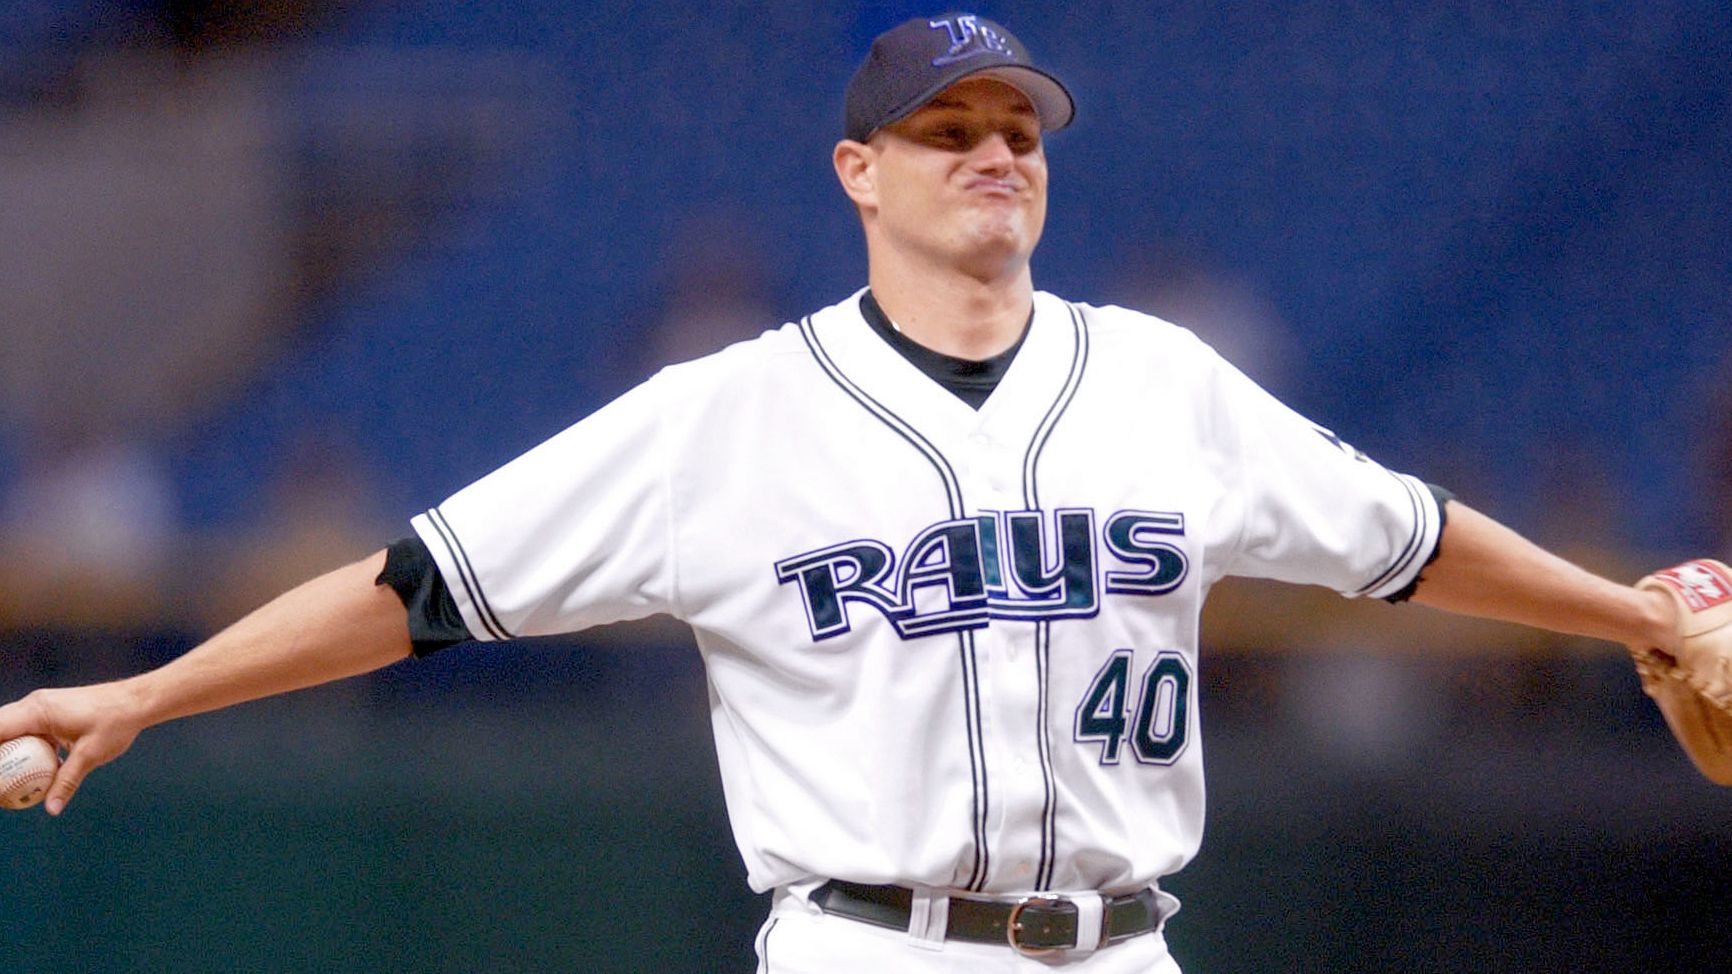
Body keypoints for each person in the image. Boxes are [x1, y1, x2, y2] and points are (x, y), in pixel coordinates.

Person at [0, 14, 1688, 973]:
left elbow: (1409, 539)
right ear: (857, 174)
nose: (997, 154)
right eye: (950, 129)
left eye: (1018, 129)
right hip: (869, 948)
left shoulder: (1167, 380)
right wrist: (147, 691)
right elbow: (420, 583)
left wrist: (1637, 618)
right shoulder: (725, 413)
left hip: (1121, 946)